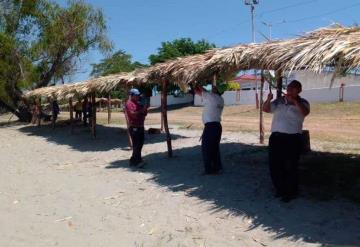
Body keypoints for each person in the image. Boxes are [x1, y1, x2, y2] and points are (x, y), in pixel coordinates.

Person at [263, 80, 310, 202]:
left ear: (299, 90)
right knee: (275, 165)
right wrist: (268, 99)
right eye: (289, 88)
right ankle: (280, 189)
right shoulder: (279, 101)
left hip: (292, 138)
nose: (289, 90)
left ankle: (291, 192)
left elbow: (305, 112)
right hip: (276, 138)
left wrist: (294, 101)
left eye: (293, 88)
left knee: (291, 165)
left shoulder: (303, 102)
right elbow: (266, 109)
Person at [195, 84, 225, 175]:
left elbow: (198, 91)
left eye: (214, 87)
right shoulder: (220, 99)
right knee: (215, 148)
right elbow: (204, 91)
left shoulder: (211, 96)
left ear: (216, 90)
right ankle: (217, 167)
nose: (212, 88)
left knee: (206, 148)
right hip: (217, 126)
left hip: (210, 127)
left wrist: (194, 83)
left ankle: (209, 170)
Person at [125, 88, 148, 167]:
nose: (138, 96)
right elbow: (133, 114)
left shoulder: (138, 103)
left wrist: (145, 108)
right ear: (131, 95)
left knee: (140, 144)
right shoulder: (129, 103)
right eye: (136, 95)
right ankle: (137, 161)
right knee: (136, 145)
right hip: (134, 127)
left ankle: (134, 160)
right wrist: (142, 111)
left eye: (138, 95)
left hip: (140, 126)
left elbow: (144, 114)